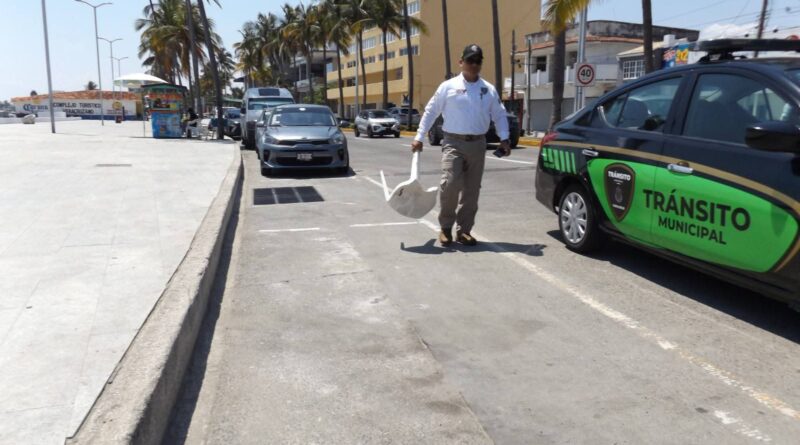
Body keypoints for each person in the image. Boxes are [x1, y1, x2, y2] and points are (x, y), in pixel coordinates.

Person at [412, 44, 510, 246]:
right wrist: (419, 136)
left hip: (478, 144)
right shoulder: (448, 86)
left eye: (478, 61)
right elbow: (431, 111)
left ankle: (464, 231)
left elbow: (499, 114)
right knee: (450, 184)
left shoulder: (488, 89)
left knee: (472, 190)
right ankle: (445, 228)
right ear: (461, 62)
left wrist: (504, 138)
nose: (474, 64)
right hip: (453, 142)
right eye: (470, 60)